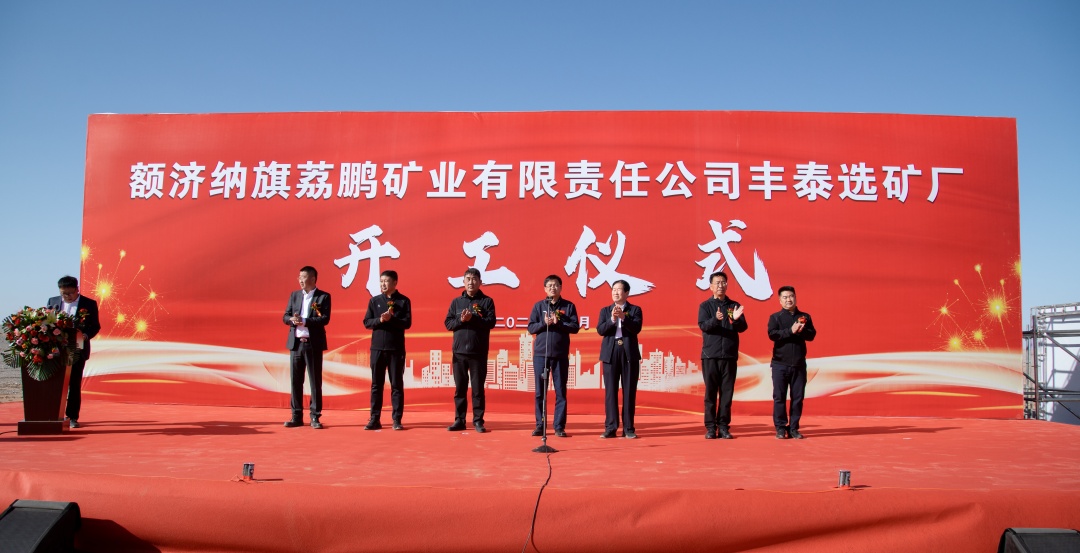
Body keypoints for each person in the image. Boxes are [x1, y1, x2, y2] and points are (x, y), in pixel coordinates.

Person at [444, 268, 497, 433]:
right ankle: (459, 420)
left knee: (477, 389)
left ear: (480, 282)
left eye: (474, 279)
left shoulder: (487, 302)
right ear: (463, 282)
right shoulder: (456, 302)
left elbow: (490, 322)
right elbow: (448, 324)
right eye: (468, 279)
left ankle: (478, 421)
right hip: (459, 353)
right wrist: (461, 320)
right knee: (460, 389)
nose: (471, 282)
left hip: (478, 352)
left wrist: (472, 318)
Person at [527, 275, 579, 438]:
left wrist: (559, 323)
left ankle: (559, 426)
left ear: (561, 287)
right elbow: (531, 328)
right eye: (549, 285)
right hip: (541, 355)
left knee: (560, 392)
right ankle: (540, 425)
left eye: (556, 285)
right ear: (545, 289)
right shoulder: (538, 306)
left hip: (560, 355)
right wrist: (545, 323)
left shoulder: (568, 306)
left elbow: (575, 327)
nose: (552, 288)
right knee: (540, 392)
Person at [46, 276, 101, 429]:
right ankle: (53, 414)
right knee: (55, 383)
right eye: (64, 294)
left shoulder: (88, 304)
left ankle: (72, 417)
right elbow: (47, 323)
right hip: (56, 349)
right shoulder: (52, 302)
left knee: (74, 384)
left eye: (70, 293)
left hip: (77, 348)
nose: (67, 297)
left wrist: (85, 335)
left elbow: (95, 326)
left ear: (77, 289)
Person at [697, 271, 747, 439]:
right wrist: (716, 320)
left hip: (729, 356)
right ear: (711, 286)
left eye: (723, 282)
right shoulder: (705, 306)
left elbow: (743, 327)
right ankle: (711, 428)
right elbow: (703, 326)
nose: (721, 285)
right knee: (711, 393)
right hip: (710, 355)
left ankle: (724, 427)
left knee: (727, 393)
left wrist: (737, 319)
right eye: (717, 283)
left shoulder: (734, 305)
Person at [283, 266, 331, 429]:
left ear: (313, 279)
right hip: (296, 344)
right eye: (299, 277)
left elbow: (324, 319)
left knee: (315, 381)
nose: (300, 280)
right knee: (296, 381)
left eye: (303, 277)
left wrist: (304, 321)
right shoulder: (295, 295)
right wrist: (292, 320)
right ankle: (296, 416)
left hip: (313, 344)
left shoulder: (323, 297)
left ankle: (315, 416)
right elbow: (285, 316)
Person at [363, 270, 412, 431]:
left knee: (396, 384)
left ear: (395, 283)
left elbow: (407, 323)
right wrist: (380, 320)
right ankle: (374, 418)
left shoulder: (404, 301)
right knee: (376, 385)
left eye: (386, 281)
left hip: (396, 349)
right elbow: (367, 322)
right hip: (377, 348)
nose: (383, 284)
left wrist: (392, 319)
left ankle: (396, 419)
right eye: (381, 281)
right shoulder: (374, 301)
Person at [767, 285, 817, 439]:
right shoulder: (775, 317)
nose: (788, 300)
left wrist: (802, 330)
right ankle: (780, 428)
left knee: (797, 398)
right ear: (780, 300)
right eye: (785, 297)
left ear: (795, 297)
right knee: (779, 397)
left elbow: (812, 335)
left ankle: (794, 428)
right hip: (780, 364)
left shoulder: (805, 316)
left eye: (791, 296)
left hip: (799, 365)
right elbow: (772, 335)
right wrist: (790, 331)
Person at [596, 280, 642, 439]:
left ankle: (628, 428)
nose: (615, 292)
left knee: (629, 391)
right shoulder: (605, 310)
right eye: (613, 289)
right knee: (610, 391)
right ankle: (611, 427)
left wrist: (623, 317)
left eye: (619, 289)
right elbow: (600, 330)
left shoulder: (635, 310)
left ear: (627, 293)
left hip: (629, 352)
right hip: (610, 351)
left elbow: (637, 328)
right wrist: (612, 320)